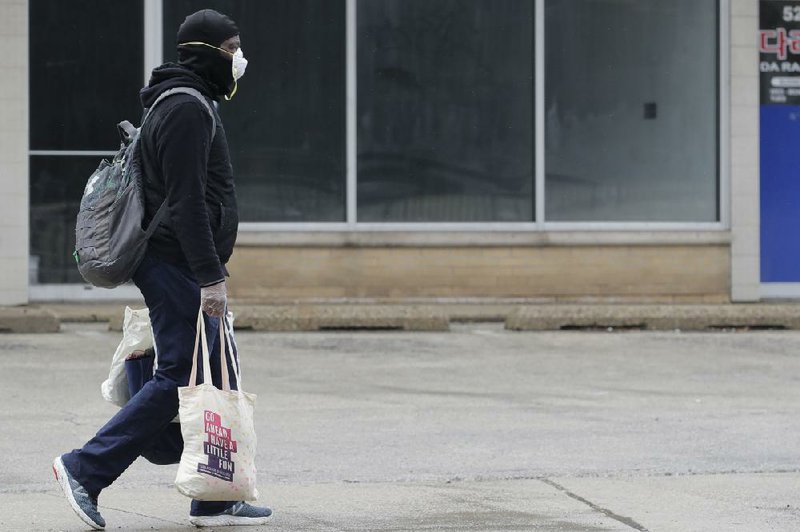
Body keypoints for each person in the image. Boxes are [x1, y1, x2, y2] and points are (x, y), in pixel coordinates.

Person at [52, 9, 272, 529]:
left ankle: (215, 496)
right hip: (177, 263)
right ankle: (85, 467)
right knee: (179, 376)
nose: (239, 57)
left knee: (210, 373)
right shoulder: (186, 109)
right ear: (207, 50)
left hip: (181, 261)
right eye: (232, 47)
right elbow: (187, 202)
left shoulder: (183, 103)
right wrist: (210, 275)